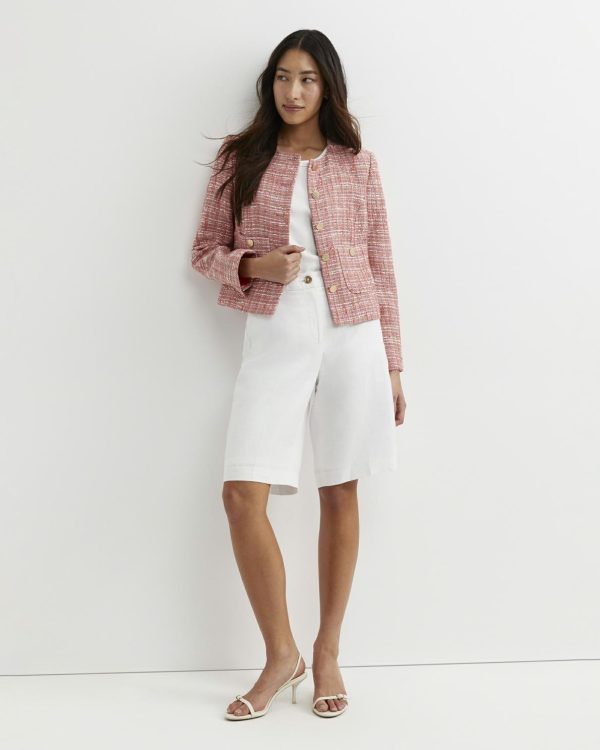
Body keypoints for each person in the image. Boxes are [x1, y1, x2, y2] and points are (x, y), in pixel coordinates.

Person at [191, 29, 407, 720]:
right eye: (283, 77)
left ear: (327, 87)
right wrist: (255, 265)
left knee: (340, 489)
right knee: (240, 494)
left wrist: (393, 365)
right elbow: (205, 250)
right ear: (270, 84)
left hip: (353, 332)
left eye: (308, 79)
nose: (293, 91)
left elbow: (381, 263)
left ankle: (328, 653)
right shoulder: (241, 158)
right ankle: (279, 653)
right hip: (276, 331)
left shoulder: (357, 164)